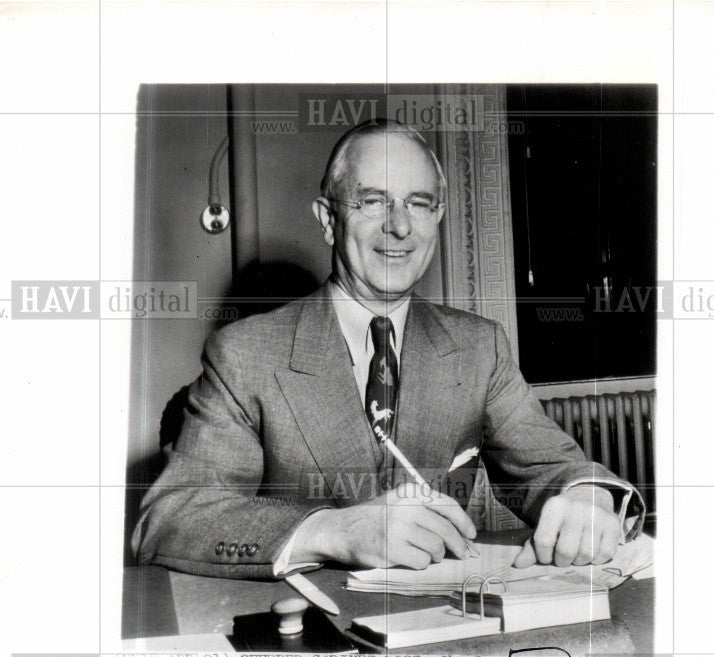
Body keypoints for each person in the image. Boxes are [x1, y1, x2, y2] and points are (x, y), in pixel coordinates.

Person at [133, 119, 643, 580]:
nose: (400, 226)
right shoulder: (245, 354)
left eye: (418, 203)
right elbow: (170, 518)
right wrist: (335, 532)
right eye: (374, 201)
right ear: (329, 219)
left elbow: (555, 468)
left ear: (437, 218)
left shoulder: (477, 347)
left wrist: (587, 498)